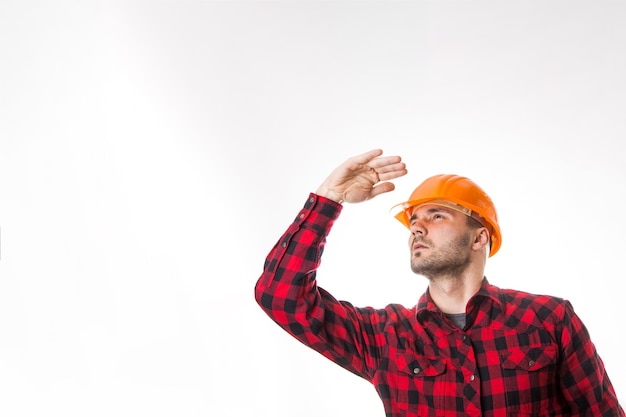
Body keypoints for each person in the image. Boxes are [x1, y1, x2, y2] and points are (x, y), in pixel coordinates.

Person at [254, 148, 624, 417]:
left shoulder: (548, 319)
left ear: (479, 238)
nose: (417, 226)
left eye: (437, 215)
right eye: (414, 220)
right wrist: (328, 199)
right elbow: (280, 295)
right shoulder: (386, 337)